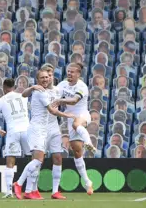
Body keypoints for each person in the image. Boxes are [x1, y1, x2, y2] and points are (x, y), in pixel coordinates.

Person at [13, 69, 75, 200]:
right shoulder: (39, 91)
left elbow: (70, 98)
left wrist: (64, 102)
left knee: (54, 158)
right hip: (37, 128)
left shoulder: (57, 90)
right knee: (37, 160)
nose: (46, 79)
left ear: (52, 77)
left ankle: (39, 191)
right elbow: (50, 110)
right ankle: (21, 185)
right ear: (38, 79)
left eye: (48, 76)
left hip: (50, 128)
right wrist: (66, 115)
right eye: (43, 77)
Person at [53, 63, 96, 197]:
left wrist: (60, 101)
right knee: (77, 151)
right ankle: (88, 182)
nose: (69, 74)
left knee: (76, 124)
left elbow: (74, 101)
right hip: (70, 117)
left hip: (82, 114)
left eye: (72, 72)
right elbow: (54, 94)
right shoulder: (62, 85)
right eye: (68, 71)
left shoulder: (82, 86)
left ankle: (89, 143)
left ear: (79, 74)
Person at [0, 78, 30, 198]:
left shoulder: (1, 100)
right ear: (14, 86)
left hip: (13, 132)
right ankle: (30, 189)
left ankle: (9, 191)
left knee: (10, 160)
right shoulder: (23, 96)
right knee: (33, 159)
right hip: (27, 131)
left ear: (4, 87)